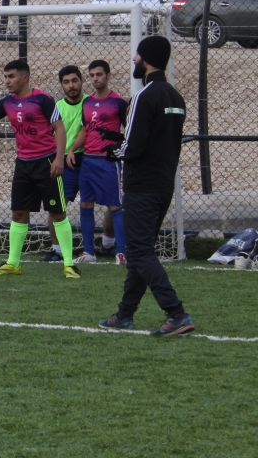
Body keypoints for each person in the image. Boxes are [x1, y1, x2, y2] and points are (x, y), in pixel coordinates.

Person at [99, 36, 194, 336]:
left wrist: (114, 150)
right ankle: (124, 314)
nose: (134, 59)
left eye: (137, 55)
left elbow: (134, 147)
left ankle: (176, 313)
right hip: (163, 184)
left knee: (139, 251)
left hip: (142, 186)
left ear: (148, 59)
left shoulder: (144, 95)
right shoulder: (175, 97)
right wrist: (121, 140)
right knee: (141, 250)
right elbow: (156, 140)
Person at [0, 60, 79, 279]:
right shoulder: (7, 103)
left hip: (47, 163)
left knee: (57, 212)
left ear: (25, 77)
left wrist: (59, 158)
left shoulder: (43, 99)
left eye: (11, 76)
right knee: (19, 213)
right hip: (23, 164)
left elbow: (59, 129)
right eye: (5, 76)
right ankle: (13, 263)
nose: (7, 81)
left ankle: (69, 264)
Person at [72, 60, 129, 266]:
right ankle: (89, 252)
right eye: (92, 75)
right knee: (85, 204)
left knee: (115, 205)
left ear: (108, 76)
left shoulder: (119, 102)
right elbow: (84, 130)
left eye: (99, 74)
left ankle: (121, 252)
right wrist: (72, 150)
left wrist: (122, 150)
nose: (95, 79)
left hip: (108, 161)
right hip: (88, 160)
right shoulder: (87, 102)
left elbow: (129, 131)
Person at [40, 65, 88, 263]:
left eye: (74, 81)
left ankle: (108, 244)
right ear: (61, 85)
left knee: (113, 205)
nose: (71, 86)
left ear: (81, 81)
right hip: (64, 163)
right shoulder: (56, 107)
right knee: (56, 208)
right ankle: (57, 250)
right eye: (66, 82)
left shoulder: (90, 103)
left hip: (89, 159)